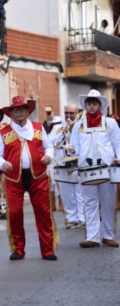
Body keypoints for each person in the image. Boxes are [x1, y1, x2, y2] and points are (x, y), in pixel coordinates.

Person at [0, 96, 58, 261]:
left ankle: (48, 249)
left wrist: (49, 156)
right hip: (14, 179)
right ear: (11, 113)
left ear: (27, 111)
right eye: (15, 110)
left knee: (43, 212)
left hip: (38, 176)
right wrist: (2, 163)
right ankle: (18, 249)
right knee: (14, 213)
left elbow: (48, 146)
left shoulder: (38, 128)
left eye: (22, 109)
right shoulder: (4, 132)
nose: (19, 112)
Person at [68, 90, 120, 248]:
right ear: (85, 105)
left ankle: (108, 235)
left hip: (107, 167)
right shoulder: (79, 125)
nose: (91, 107)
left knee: (108, 202)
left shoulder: (110, 123)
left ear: (99, 105)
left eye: (94, 103)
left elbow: (117, 142)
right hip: (86, 168)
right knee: (89, 203)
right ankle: (92, 237)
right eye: (89, 104)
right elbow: (75, 145)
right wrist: (71, 150)